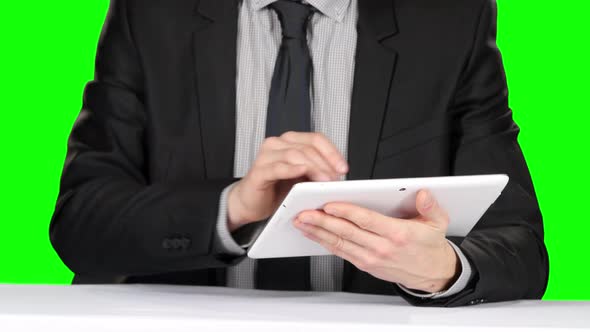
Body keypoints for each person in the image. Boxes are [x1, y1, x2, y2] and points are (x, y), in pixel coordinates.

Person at [49, 0, 549, 307]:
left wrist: (444, 270)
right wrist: (232, 208)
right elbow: (81, 224)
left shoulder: (449, 18)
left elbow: (521, 247)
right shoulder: (152, 13)